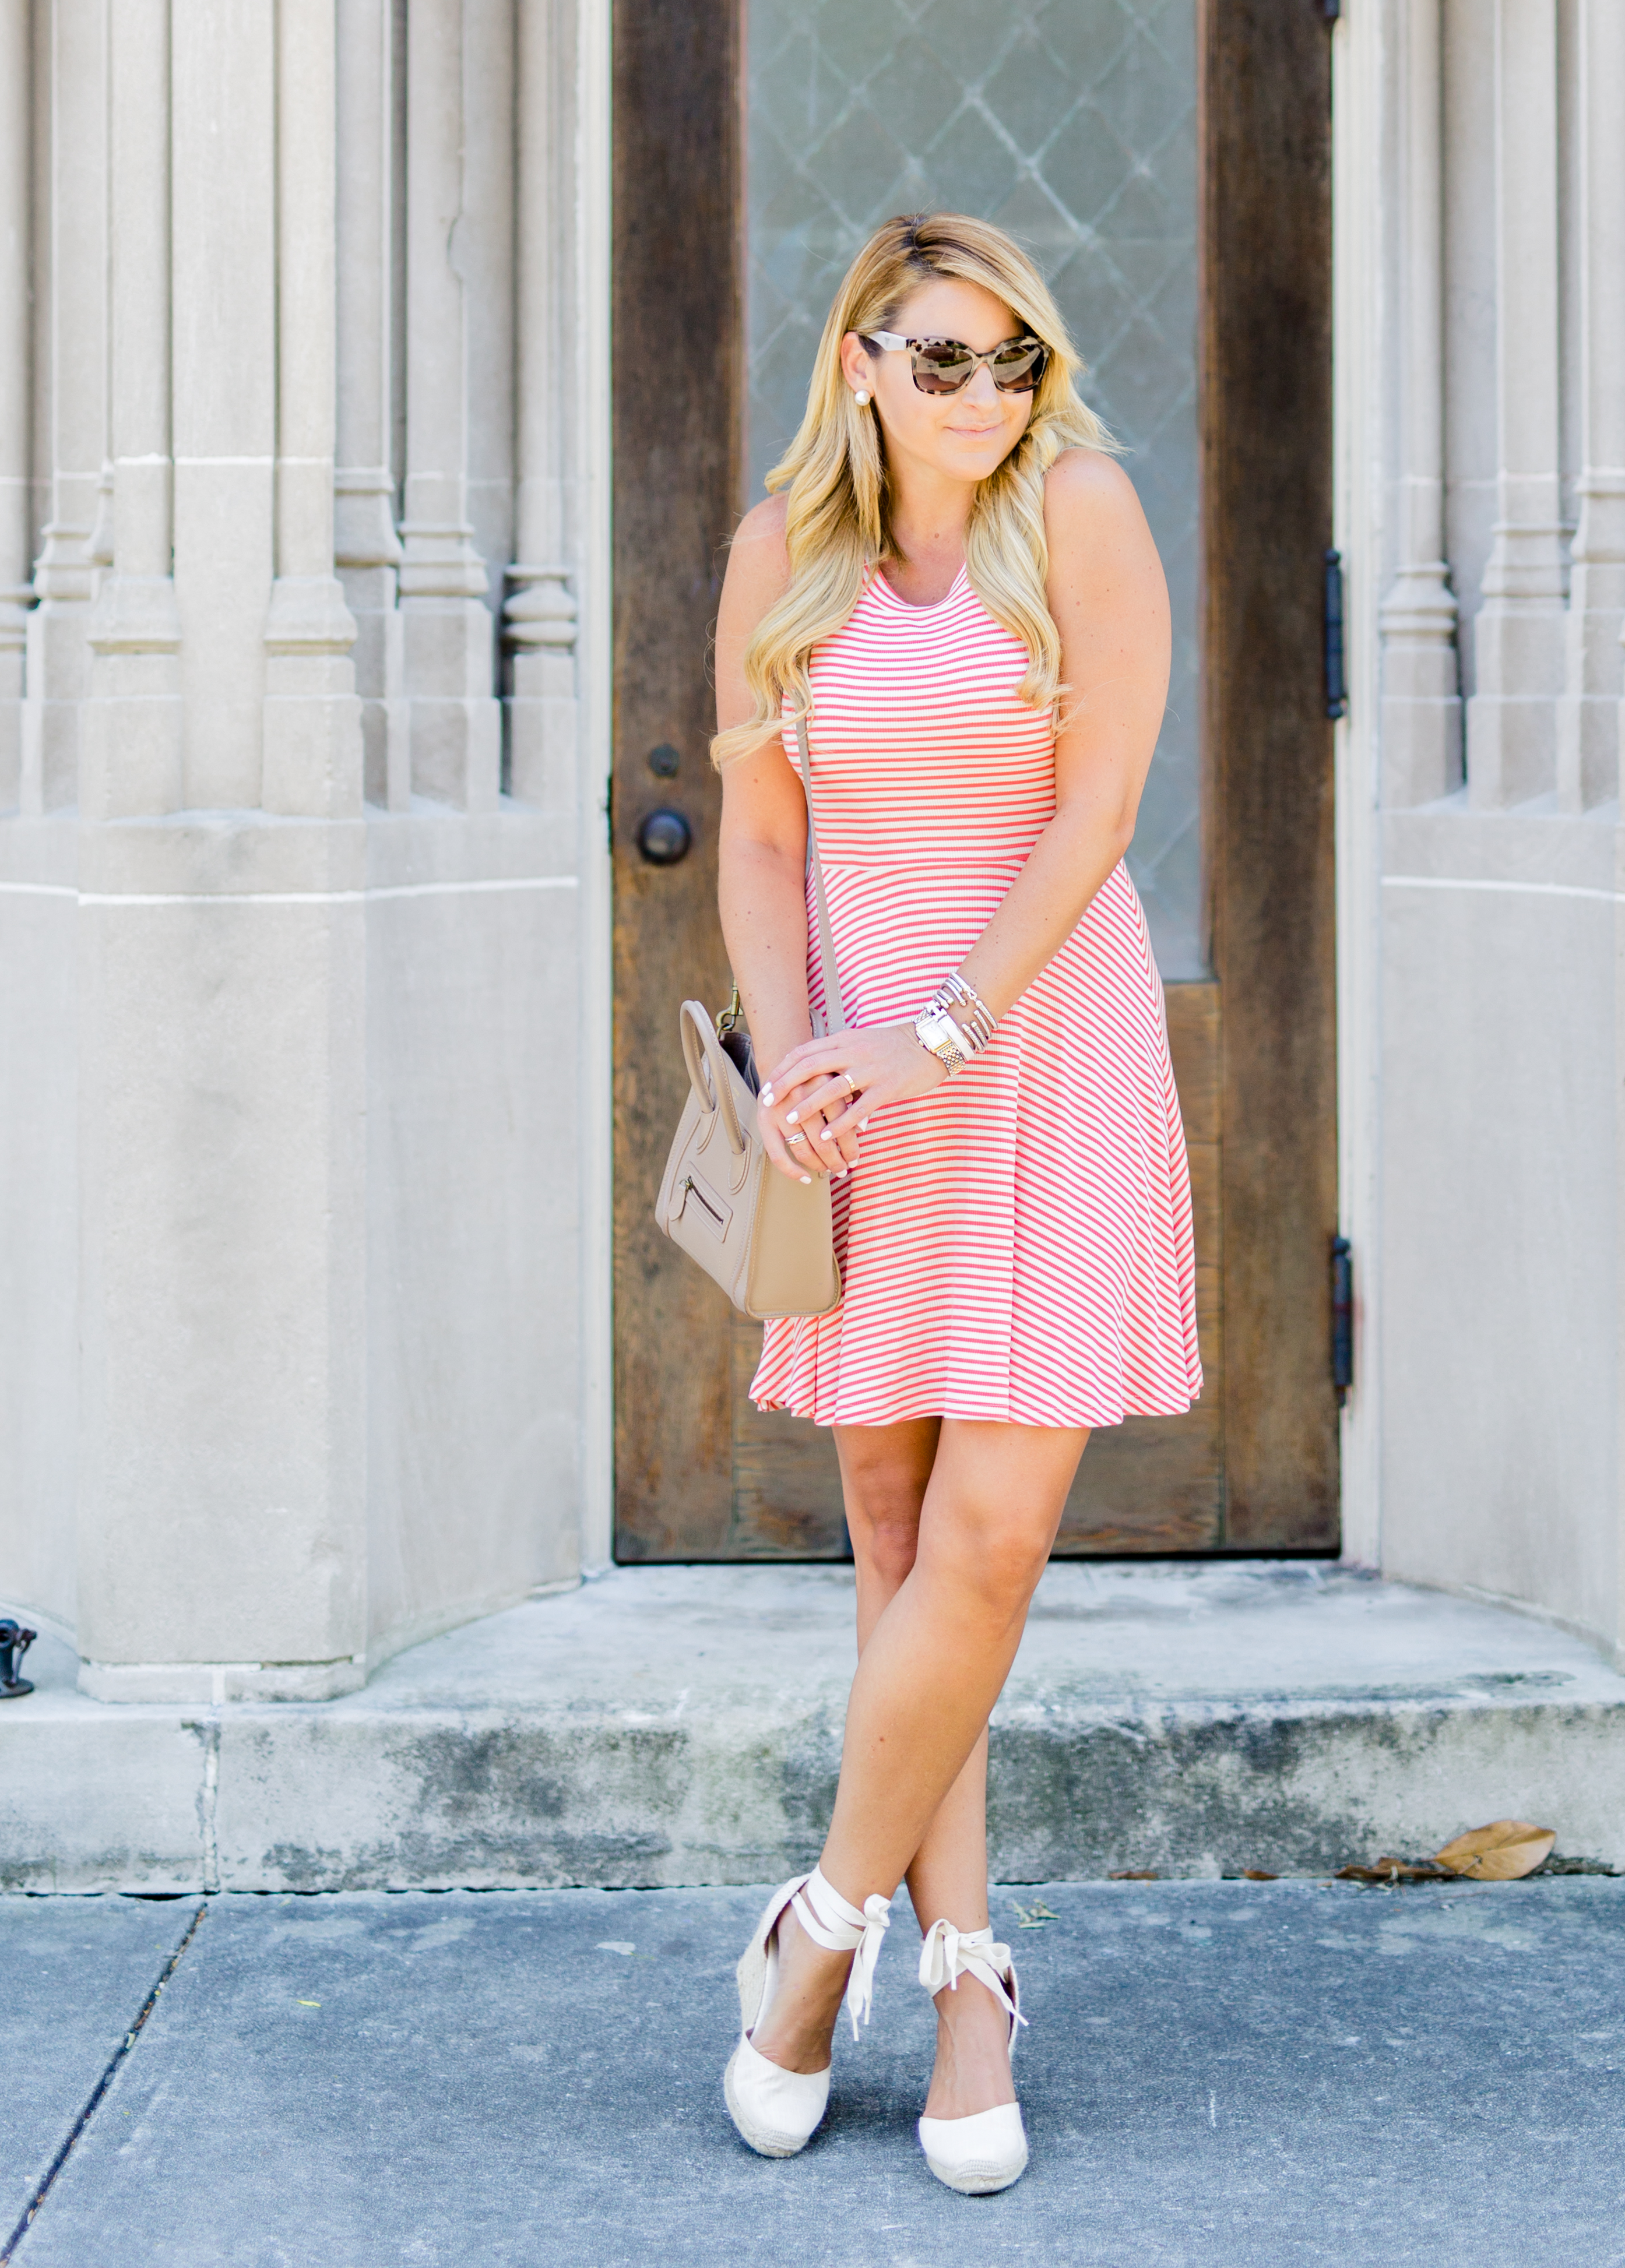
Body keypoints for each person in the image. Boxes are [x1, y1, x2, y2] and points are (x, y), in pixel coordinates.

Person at [709, 208, 1201, 2194]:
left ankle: (815, 1938)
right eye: (940, 361)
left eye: (1012, 361)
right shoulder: (781, 558)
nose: (984, 397)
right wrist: (787, 1064)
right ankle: (970, 1977)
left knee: (987, 1542)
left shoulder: (1075, 508)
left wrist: (941, 1025)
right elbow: (758, 836)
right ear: (858, 366)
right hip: (862, 1089)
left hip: (1039, 1047)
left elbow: (1100, 802)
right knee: (897, 1552)